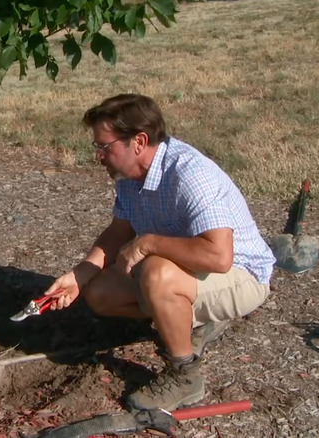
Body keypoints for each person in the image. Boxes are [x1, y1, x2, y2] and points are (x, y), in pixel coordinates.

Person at [43, 93, 276, 411]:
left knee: (156, 272)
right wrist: (80, 275)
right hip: (187, 269)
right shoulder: (129, 177)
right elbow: (118, 232)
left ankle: (185, 375)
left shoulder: (190, 175)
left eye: (104, 146)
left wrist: (149, 242)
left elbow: (219, 257)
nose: (98, 156)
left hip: (242, 274)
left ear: (138, 141)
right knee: (100, 294)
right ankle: (192, 318)